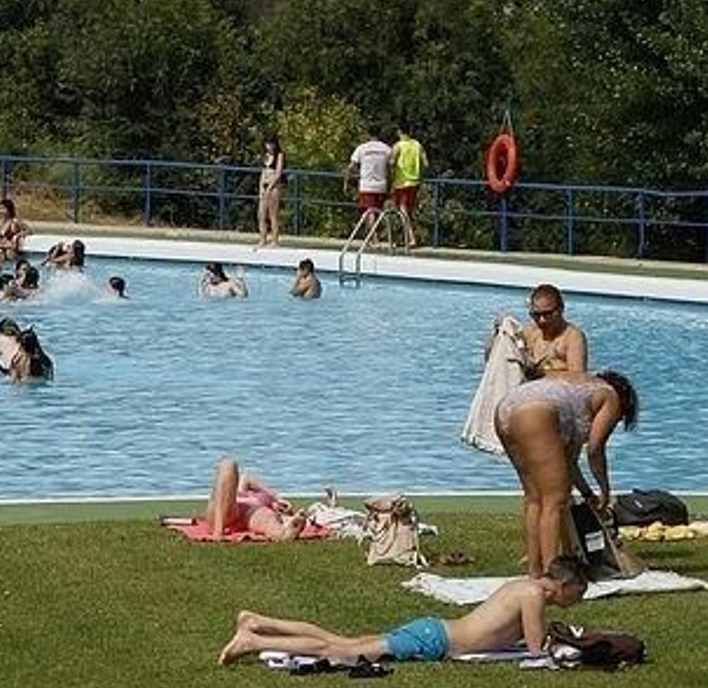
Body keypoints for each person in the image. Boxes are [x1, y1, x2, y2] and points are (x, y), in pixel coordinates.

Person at [217, 556, 589, 668]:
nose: (580, 598)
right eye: (580, 592)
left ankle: (258, 622)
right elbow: (538, 649)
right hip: (434, 640)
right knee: (340, 653)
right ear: (565, 584)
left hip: (433, 630)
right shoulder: (533, 595)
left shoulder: (526, 585)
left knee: (339, 642)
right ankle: (252, 639)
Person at [495, 371, 639, 575]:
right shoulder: (610, 397)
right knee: (555, 500)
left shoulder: (576, 394)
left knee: (535, 497)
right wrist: (605, 490)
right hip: (537, 411)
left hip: (507, 406)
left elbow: (569, 465)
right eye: (618, 420)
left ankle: (535, 571)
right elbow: (595, 449)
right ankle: (553, 574)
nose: (614, 423)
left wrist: (588, 494)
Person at [205, 458, 308, 541]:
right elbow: (248, 479)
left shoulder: (267, 506)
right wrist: (277, 497)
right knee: (228, 464)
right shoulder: (242, 487)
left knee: (267, 518)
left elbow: (277, 510)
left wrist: (278, 503)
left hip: (251, 513)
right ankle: (218, 532)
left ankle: (284, 533)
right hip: (227, 507)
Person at [518, 284, 588, 379]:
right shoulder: (529, 332)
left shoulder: (572, 337)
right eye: (536, 315)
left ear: (560, 309)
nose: (541, 320)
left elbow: (578, 377)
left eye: (547, 314)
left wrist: (542, 374)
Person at [346, 129, 394, 229]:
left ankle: (373, 239)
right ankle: (374, 237)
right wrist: (390, 186)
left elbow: (351, 166)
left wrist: (349, 180)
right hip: (381, 185)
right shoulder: (386, 149)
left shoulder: (362, 148)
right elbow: (391, 169)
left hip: (366, 185)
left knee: (369, 211)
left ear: (368, 135)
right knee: (377, 211)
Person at [389, 125, 427, 250]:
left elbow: (392, 163)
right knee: (408, 211)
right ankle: (407, 237)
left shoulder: (398, 146)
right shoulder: (417, 145)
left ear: (399, 132)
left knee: (402, 211)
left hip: (401, 183)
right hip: (415, 182)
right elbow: (426, 163)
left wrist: (391, 175)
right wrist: (419, 173)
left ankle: (411, 238)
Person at [256, 138, 287, 247]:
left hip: (274, 186)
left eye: (271, 144)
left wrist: (269, 187)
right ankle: (262, 239)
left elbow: (278, 173)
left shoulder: (280, 155)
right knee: (261, 214)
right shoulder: (265, 155)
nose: (269, 146)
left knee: (272, 215)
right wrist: (261, 188)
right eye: (267, 144)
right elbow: (263, 172)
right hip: (264, 185)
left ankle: (275, 241)